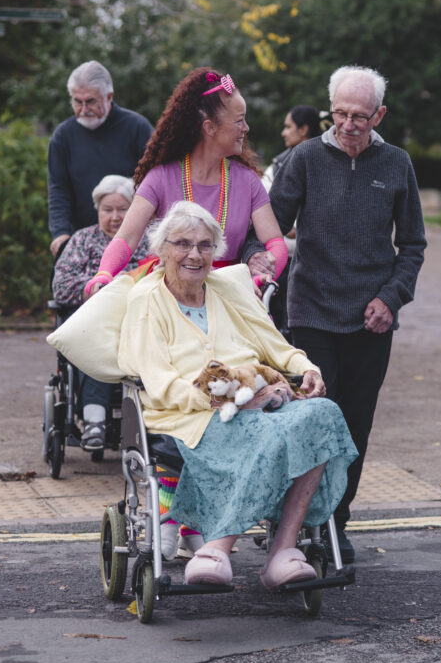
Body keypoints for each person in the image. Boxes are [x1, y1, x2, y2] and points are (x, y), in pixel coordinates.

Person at [118, 201, 357, 587]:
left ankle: (283, 549)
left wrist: (306, 369)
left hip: (260, 402)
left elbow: (275, 344)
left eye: (205, 245)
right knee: (271, 432)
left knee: (324, 415)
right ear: (161, 251)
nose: (194, 254)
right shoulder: (147, 301)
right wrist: (234, 398)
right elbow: (161, 385)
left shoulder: (227, 290)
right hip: (193, 416)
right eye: (182, 244)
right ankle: (216, 547)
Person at [245, 66, 426, 563]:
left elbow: (412, 245)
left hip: (371, 320)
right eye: (340, 114)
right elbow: (272, 228)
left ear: (379, 115)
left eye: (360, 117)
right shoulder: (304, 159)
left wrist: (391, 298)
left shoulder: (396, 164)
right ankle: (296, 521)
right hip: (311, 312)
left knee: (353, 427)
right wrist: (255, 260)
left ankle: (334, 523)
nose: (348, 125)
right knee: (308, 423)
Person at [84, 68, 288, 297]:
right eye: (240, 121)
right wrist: (103, 274)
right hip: (168, 295)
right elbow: (125, 239)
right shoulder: (161, 177)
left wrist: (261, 276)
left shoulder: (248, 180)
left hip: (230, 295)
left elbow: (275, 244)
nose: (246, 128)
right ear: (209, 128)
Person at [51, 175, 151, 449]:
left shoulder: (148, 241)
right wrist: (94, 289)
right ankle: (94, 420)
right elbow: (61, 287)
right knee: (94, 337)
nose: (116, 217)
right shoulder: (82, 241)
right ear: (97, 210)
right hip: (92, 320)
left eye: (123, 209)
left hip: (137, 319)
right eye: (108, 210)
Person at [48, 61, 154, 258]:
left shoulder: (137, 128)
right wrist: (60, 233)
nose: (84, 108)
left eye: (91, 101)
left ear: (109, 97)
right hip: (79, 243)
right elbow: (58, 189)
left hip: (130, 241)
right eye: (77, 102)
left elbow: (154, 185)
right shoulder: (63, 136)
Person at [260, 104, 322, 336]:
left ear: (304, 129)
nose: (283, 132)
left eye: (288, 127)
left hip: (299, 258)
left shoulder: (284, 165)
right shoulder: (279, 164)